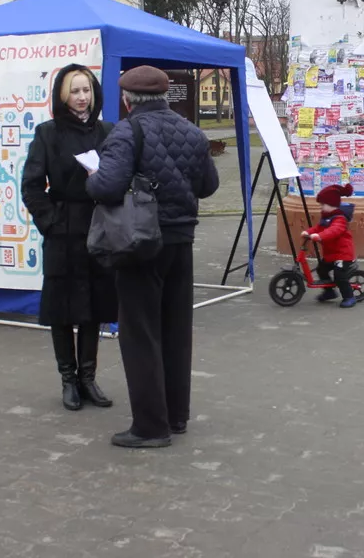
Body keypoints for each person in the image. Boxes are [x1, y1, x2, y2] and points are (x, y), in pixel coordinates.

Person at [87, 65, 219, 449]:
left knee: (140, 333)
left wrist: (90, 177)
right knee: (176, 331)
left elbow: (107, 186)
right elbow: (209, 186)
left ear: (127, 100)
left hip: (141, 243)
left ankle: (150, 426)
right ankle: (176, 416)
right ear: (164, 96)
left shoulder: (127, 132)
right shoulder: (192, 131)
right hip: (181, 242)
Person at [22, 65, 117, 413]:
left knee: (93, 306)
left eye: (87, 90)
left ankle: (89, 377)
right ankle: (68, 379)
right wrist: (51, 221)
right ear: (63, 95)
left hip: (98, 228)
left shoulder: (108, 131)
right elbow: (31, 186)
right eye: (75, 91)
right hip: (63, 232)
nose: (82, 97)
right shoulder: (48, 134)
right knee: (63, 309)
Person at [301, 183, 359, 309]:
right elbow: (318, 227)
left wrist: (320, 236)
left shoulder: (340, 219)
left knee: (340, 276)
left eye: (323, 205)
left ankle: (349, 297)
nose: (321, 208)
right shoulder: (326, 217)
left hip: (342, 255)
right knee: (321, 269)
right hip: (331, 254)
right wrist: (309, 232)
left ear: (332, 204)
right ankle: (329, 292)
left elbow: (334, 231)